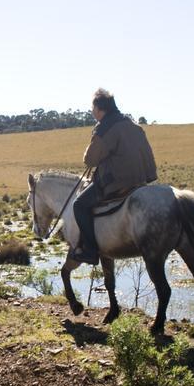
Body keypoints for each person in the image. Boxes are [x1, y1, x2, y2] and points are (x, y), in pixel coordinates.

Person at [71, 88, 157, 264]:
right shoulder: (133, 124)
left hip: (118, 182)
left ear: (99, 108)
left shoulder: (106, 128)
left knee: (79, 205)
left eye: (92, 108)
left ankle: (91, 251)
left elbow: (90, 160)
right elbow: (144, 152)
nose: (92, 111)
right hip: (140, 180)